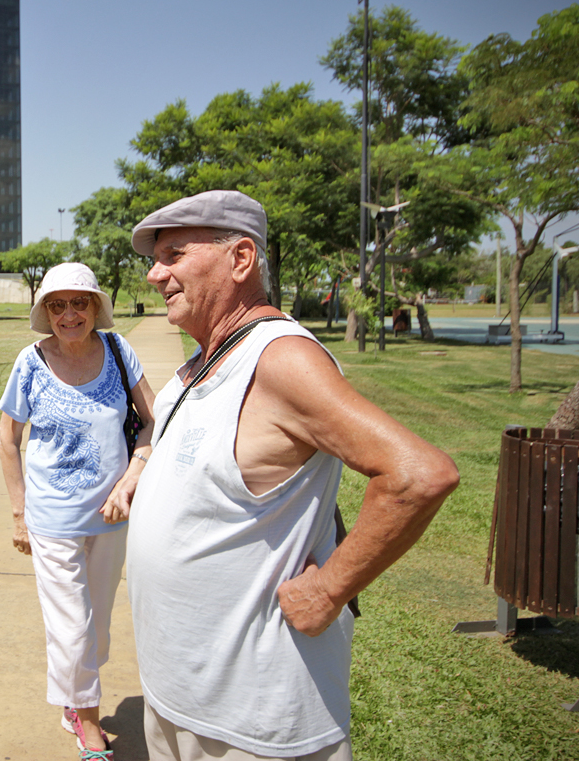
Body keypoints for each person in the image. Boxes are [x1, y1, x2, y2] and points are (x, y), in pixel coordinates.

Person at [124, 190, 459, 761]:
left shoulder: (280, 360)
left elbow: (418, 474)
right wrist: (143, 472)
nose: (156, 274)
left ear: (241, 259)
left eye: (175, 254)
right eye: (155, 259)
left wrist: (329, 589)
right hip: (175, 697)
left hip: (252, 721)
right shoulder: (196, 366)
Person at [0, 262, 156, 761]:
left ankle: (74, 694)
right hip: (52, 520)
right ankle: (88, 722)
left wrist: (132, 478)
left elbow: (153, 421)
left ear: (95, 308)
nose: (70, 314)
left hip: (112, 517)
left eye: (80, 303)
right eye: (58, 305)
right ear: (46, 311)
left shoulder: (117, 350)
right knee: (72, 626)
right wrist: (19, 514)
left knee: (99, 625)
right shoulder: (30, 362)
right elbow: (8, 439)